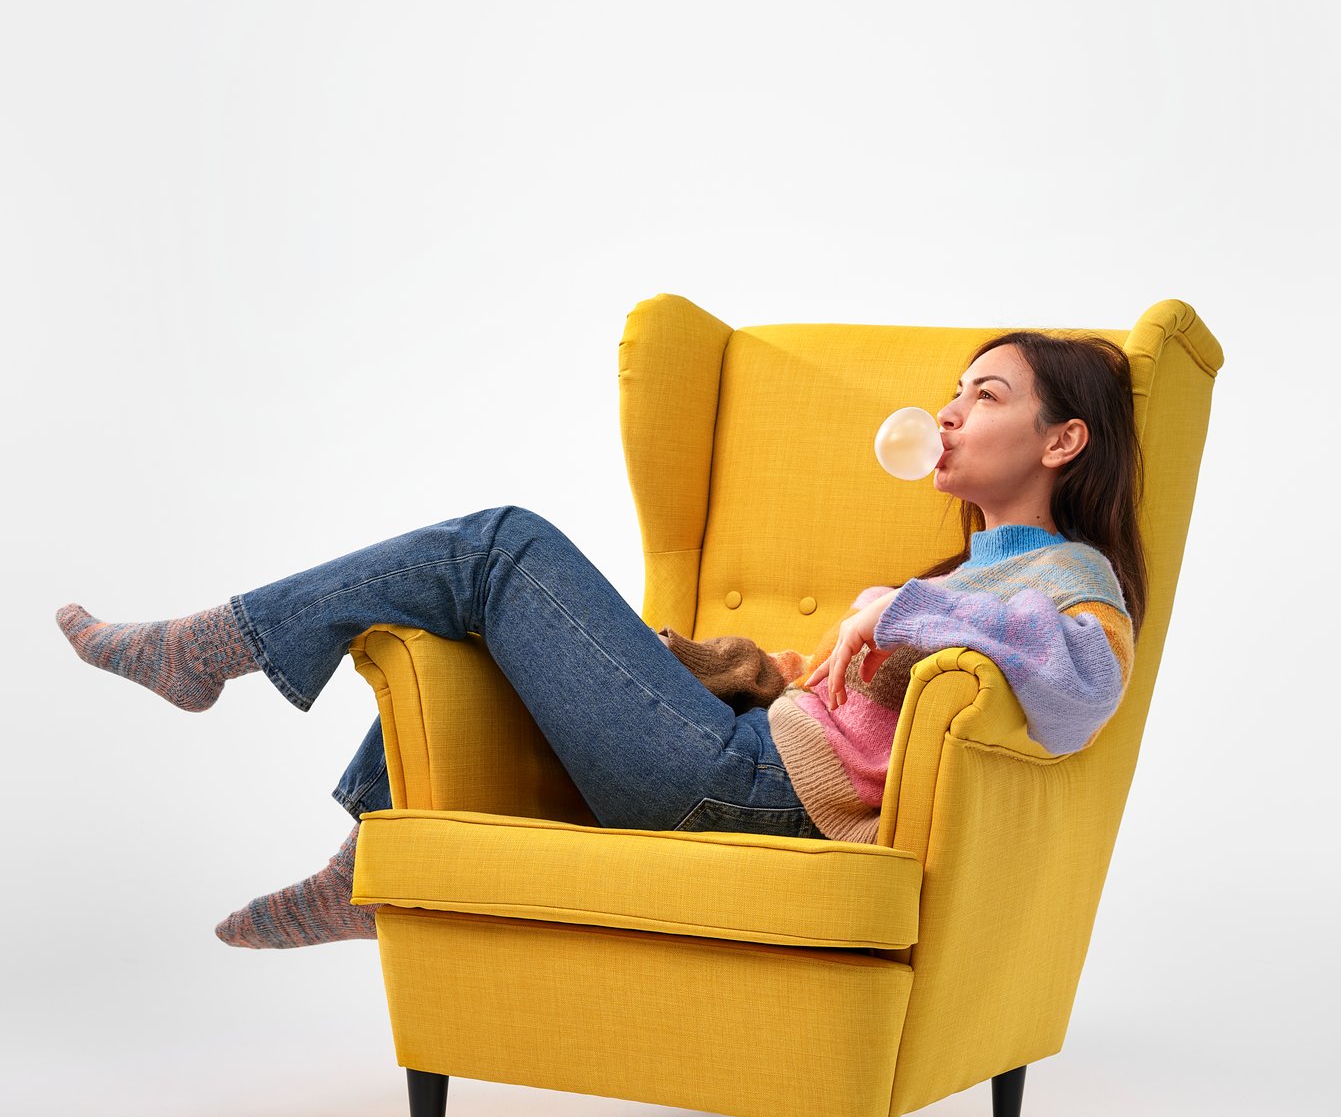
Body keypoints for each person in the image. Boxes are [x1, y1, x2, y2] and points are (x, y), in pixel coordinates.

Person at [55, 331, 1146, 948]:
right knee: (474, 603)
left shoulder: (1072, 580)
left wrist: (897, 608)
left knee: (496, 545)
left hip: (750, 792)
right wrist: (734, 662)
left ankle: (207, 651)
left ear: (1062, 438)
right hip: (740, 752)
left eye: (984, 395)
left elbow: (1082, 688)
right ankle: (368, 864)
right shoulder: (968, 574)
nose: (947, 414)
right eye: (948, 393)